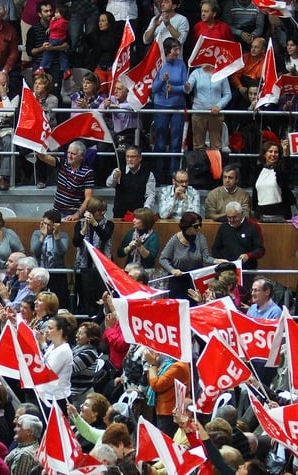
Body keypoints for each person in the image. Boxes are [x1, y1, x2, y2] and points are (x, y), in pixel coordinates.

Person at [158, 212, 218, 300]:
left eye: (200, 225)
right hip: (178, 279)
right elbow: (163, 259)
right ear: (187, 225)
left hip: (195, 279)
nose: (199, 228)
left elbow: (206, 258)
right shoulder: (175, 240)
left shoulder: (200, 238)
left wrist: (217, 261)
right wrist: (172, 270)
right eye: (196, 226)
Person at [152, 37, 188, 182]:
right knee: (160, 141)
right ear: (167, 50)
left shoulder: (181, 64)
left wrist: (174, 88)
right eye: (175, 49)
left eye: (178, 49)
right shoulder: (159, 64)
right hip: (161, 106)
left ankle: (174, 176)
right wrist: (162, 80)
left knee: (176, 141)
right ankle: (157, 176)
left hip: (178, 106)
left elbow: (186, 87)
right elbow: (153, 89)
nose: (178, 52)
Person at [107, 146, 156, 219]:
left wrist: (146, 208)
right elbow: (109, 184)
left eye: (133, 157)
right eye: (127, 157)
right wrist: (114, 177)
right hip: (120, 214)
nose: (129, 159)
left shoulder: (148, 174)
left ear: (140, 158)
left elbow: (150, 195)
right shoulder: (118, 170)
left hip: (139, 215)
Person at [212, 201, 264, 269]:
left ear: (242, 213)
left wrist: (248, 255)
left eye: (234, 217)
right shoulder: (224, 227)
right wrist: (221, 261)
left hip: (246, 268)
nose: (231, 220)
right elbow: (215, 248)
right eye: (229, 217)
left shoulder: (252, 226)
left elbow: (260, 249)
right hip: (226, 268)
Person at [251, 140, 292, 221]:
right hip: (260, 210)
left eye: (276, 152)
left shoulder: (281, 168)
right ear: (264, 154)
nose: (273, 154)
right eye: (270, 151)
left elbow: (285, 169)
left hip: (279, 211)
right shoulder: (258, 169)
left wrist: (285, 152)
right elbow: (255, 191)